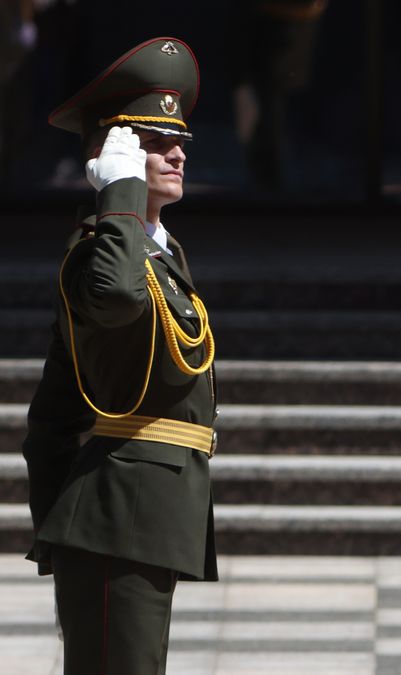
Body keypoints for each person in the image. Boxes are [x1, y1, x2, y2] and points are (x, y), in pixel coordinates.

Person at [22, 37, 217, 675]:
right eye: (157, 144)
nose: (179, 153)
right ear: (116, 155)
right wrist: (121, 200)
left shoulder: (156, 250)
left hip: (145, 506)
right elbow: (116, 299)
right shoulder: (100, 251)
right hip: (116, 508)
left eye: (179, 140)